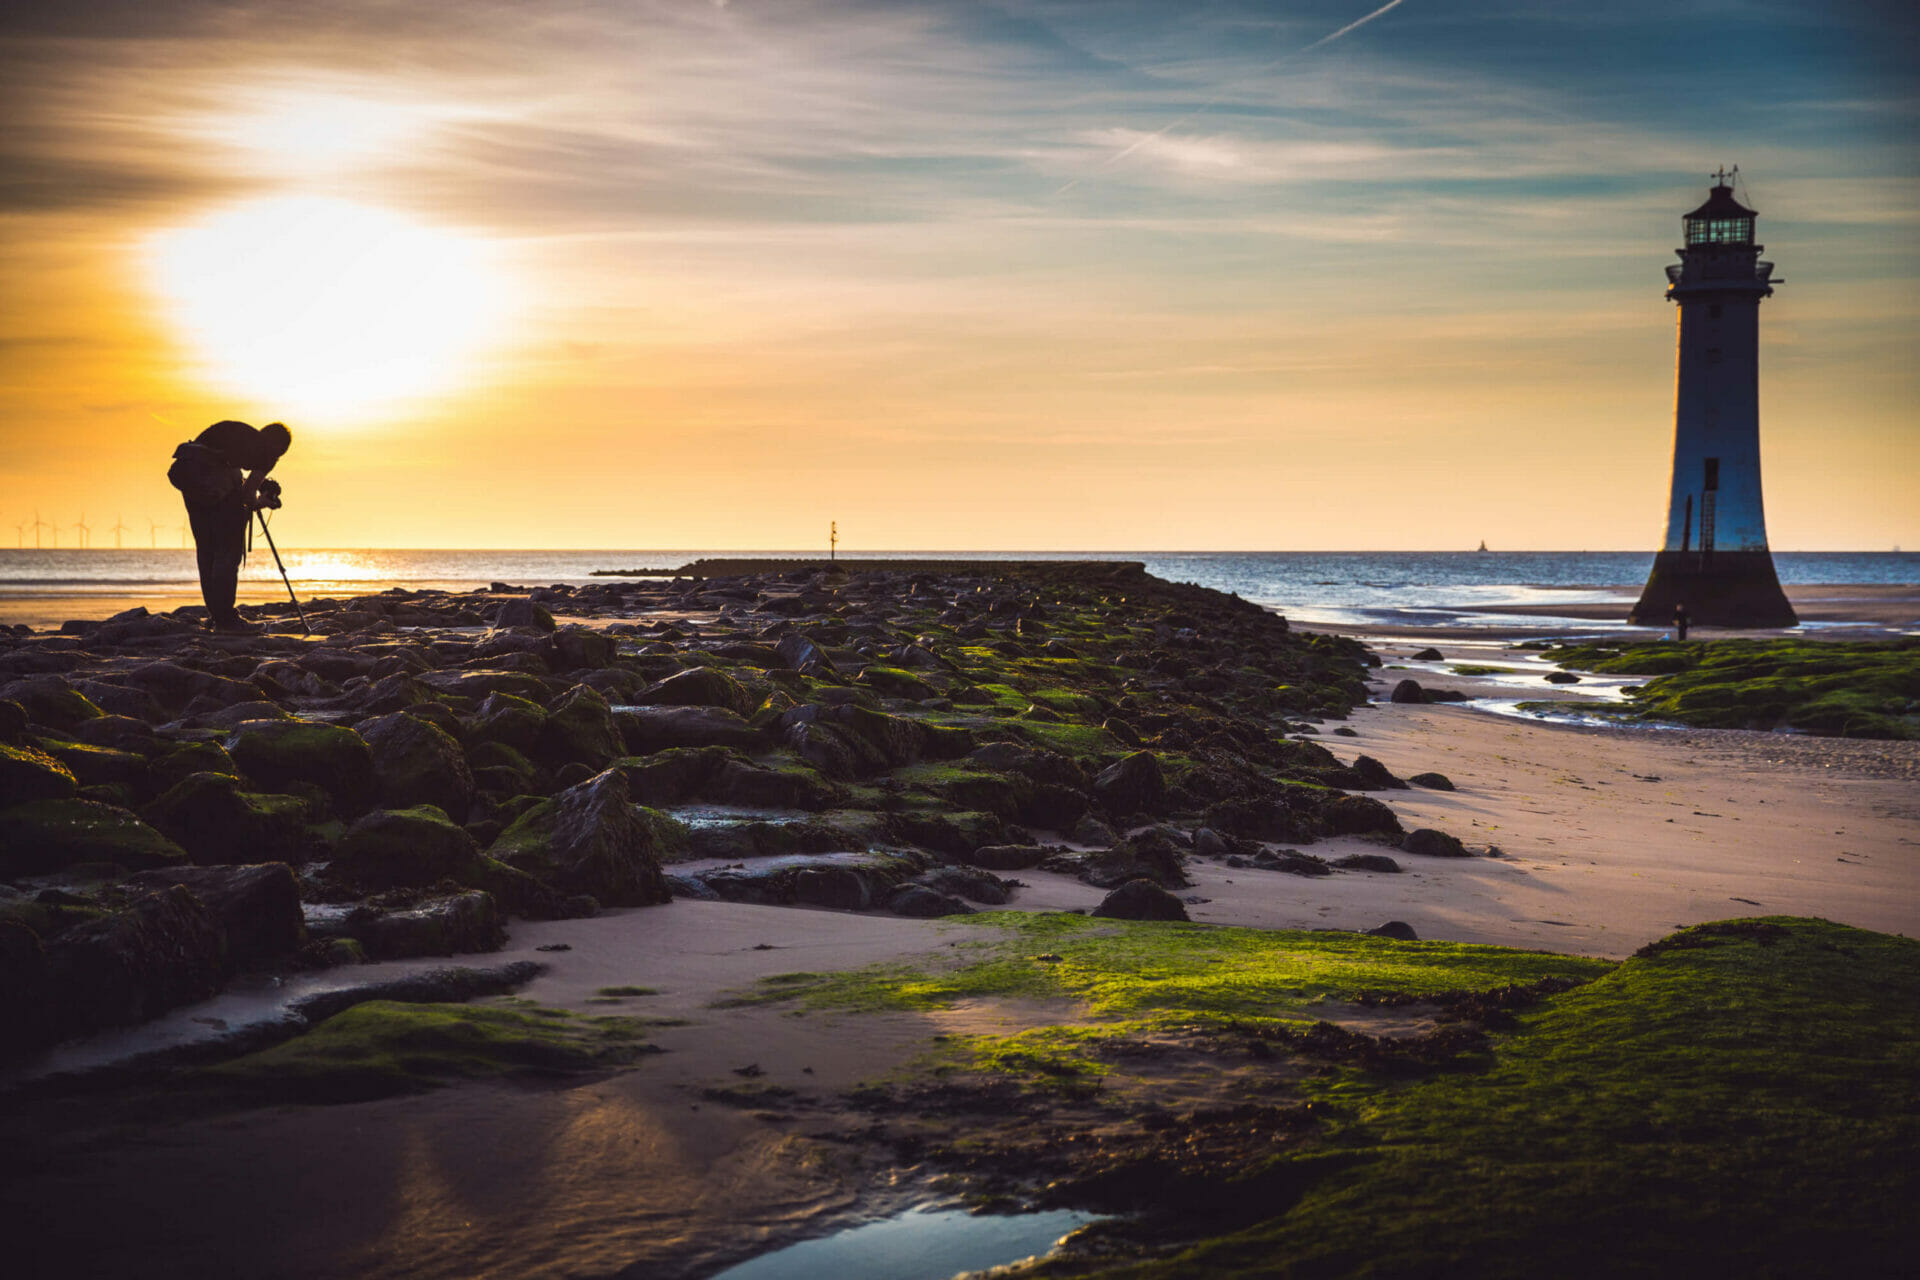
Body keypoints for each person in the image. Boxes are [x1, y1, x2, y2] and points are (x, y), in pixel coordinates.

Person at [167, 420, 291, 634]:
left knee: (207, 553)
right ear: (280, 449)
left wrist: (252, 490)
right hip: (211, 484)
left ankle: (217, 616)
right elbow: (245, 495)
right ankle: (226, 621)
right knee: (227, 554)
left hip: (189, 481)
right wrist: (263, 501)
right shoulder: (267, 453)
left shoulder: (238, 434)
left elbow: (227, 469)